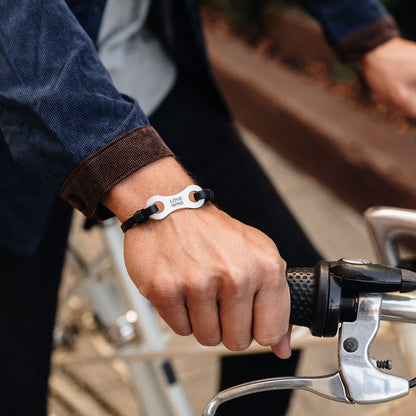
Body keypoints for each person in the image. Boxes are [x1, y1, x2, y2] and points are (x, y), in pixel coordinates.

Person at [1, 1, 416, 415]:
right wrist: (159, 199)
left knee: (274, 283)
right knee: (18, 379)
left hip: (143, 74)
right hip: (17, 116)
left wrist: (369, 37)